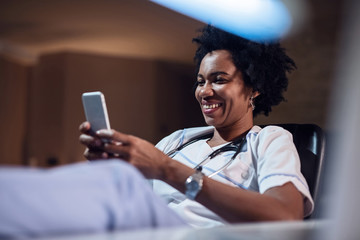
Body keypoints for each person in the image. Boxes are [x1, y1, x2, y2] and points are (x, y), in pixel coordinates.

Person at [0, 25, 313, 238]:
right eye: (200, 81)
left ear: (254, 90)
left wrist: (166, 169)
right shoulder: (178, 140)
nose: (204, 91)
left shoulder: (269, 139)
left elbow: (285, 218)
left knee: (119, 183)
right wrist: (112, 162)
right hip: (142, 230)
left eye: (219, 79)